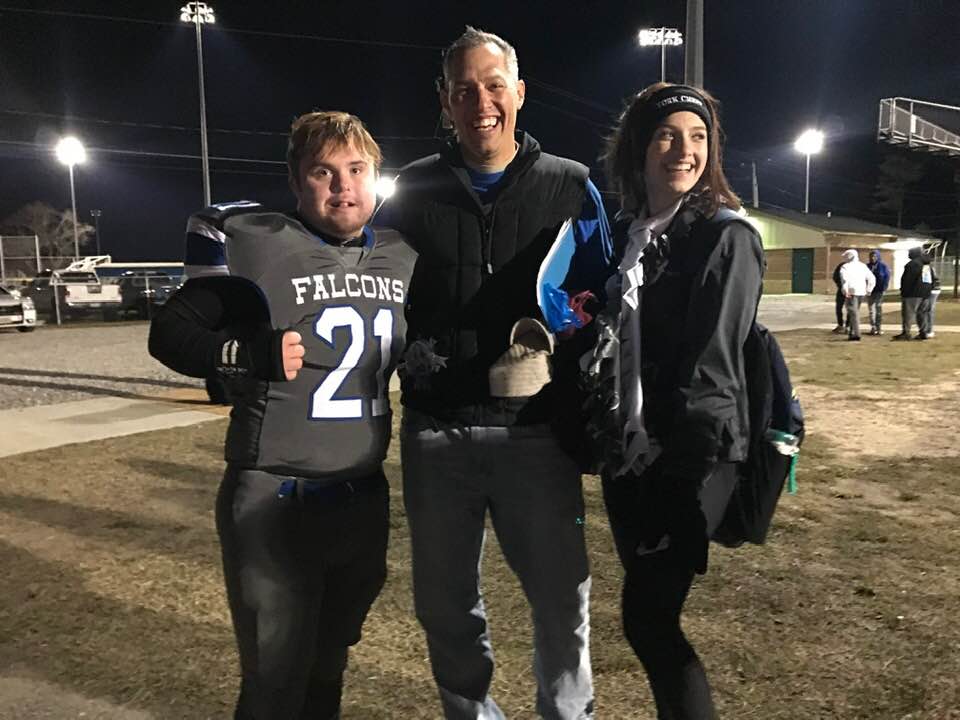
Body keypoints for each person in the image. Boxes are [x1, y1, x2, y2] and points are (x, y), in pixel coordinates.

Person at [149, 111, 417, 720]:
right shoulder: (261, 243)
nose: (342, 186)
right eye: (323, 172)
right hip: (275, 494)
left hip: (360, 496)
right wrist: (246, 354)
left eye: (356, 170)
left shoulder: (402, 256)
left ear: (377, 178)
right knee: (274, 684)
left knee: (328, 667)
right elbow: (170, 333)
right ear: (297, 183)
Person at [382, 26, 613, 720]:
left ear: (518, 92)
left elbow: (604, 296)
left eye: (492, 85)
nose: (479, 101)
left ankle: (568, 715)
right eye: (462, 89)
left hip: (537, 435)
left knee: (562, 597)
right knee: (445, 604)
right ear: (444, 102)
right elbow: (368, 285)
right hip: (436, 432)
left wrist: (572, 337)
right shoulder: (411, 189)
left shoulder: (571, 186)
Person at [594, 82, 764, 720]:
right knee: (648, 623)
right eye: (667, 135)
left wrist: (683, 475)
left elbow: (713, 365)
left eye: (698, 138)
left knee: (648, 618)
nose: (683, 150)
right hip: (628, 453)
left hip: (691, 455)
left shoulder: (725, 235)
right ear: (639, 146)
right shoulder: (623, 234)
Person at [839, 249, 875, 341]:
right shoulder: (862, 266)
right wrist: (869, 289)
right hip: (861, 292)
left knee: (853, 313)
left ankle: (856, 333)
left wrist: (845, 290)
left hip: (851, 292)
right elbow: (871, 278)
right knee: (854, 312)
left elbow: (844, 280)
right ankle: (852, 332)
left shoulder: (845, 267)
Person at [894, 246, 926, 340]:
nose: (908, 254)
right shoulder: (925, 264)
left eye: (910, 252)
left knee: (908, 314)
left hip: (912, 293)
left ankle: (906, 333)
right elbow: (927, 279)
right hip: (923, 293)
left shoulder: (911, 264)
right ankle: (923, 332)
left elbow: (907, 280)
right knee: (921, 313)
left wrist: (904, 291)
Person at [866, 249, 890, 335]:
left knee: (878, 308)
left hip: (879, 290)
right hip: (870, 291)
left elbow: (886, 278)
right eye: (871, 256)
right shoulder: (867, 266)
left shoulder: (883, 266)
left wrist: (884, 288)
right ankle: (873, 327)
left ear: (878, 257)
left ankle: (879, 327)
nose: (873, 258)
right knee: (871, 310)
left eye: (875, 256)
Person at [918, 251, 941, 339]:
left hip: (932, 290)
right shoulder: (929, 267)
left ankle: (929, 330)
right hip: (934, 290)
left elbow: (927, 282)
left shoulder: (925, 268)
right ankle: (928, 329)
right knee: (928, 310)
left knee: (928, 310)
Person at [831, 260, 847, 333]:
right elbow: (835, 276)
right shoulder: (842, 265)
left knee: (850, 308)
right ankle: (840, 325)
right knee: (839, 307)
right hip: (841, 290)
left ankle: (848, 326)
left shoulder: (854, 266)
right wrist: (840, 285)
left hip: (850, 290)